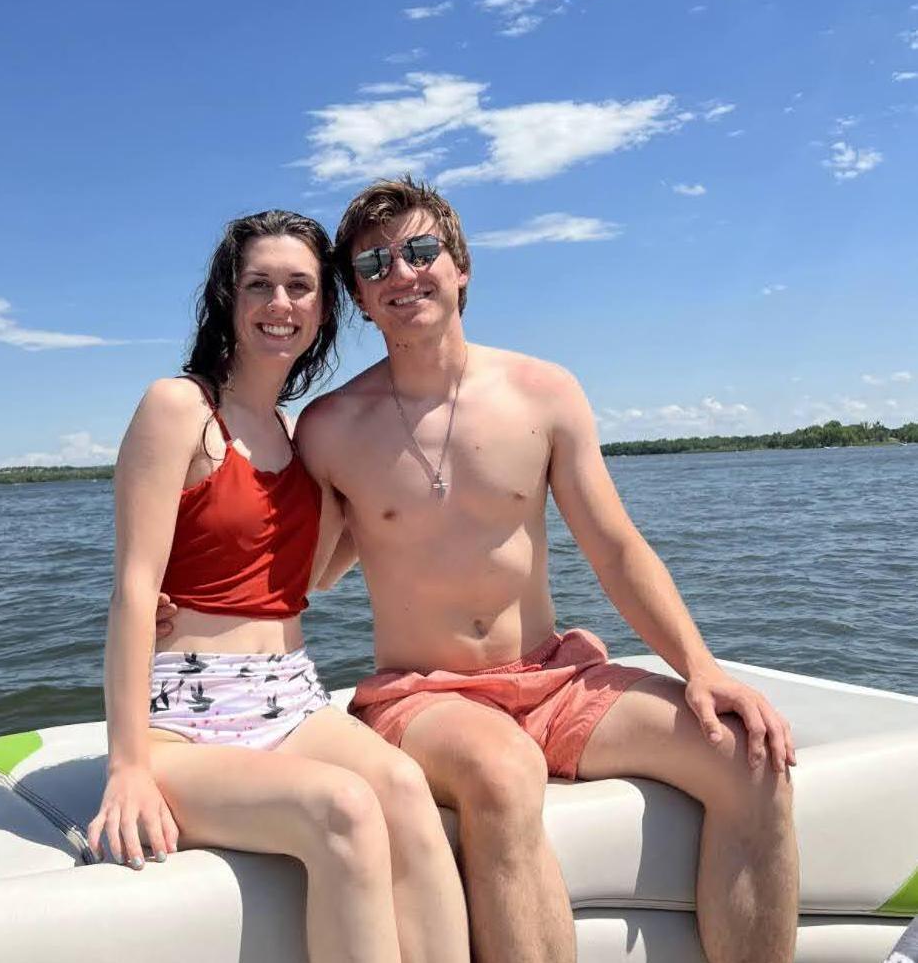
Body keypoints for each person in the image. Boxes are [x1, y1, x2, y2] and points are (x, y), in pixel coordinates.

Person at [293, 177, 800, 963]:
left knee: (748, 757)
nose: (402, 273)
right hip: (423, 696)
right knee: (501, 773)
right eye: (374, 264)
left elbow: (616, 548)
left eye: (422, 250)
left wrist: (699, 667)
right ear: (357, 297)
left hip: (554, 678)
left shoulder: (546, 392)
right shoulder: (327, 427)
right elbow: (300, 578)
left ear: (460, 266)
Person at [88, 209, 469, 963]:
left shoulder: (295, 438)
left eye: (300, 286)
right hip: (184, 716)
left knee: (402, 786)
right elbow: (135, 590)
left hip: (293, 696)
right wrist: (128, 766)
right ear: (228, 297)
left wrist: (389, 492)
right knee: (345, 808)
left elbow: (315, 575)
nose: (280, 304)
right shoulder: (179, 409)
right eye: (260, 284)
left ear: (324, 309)